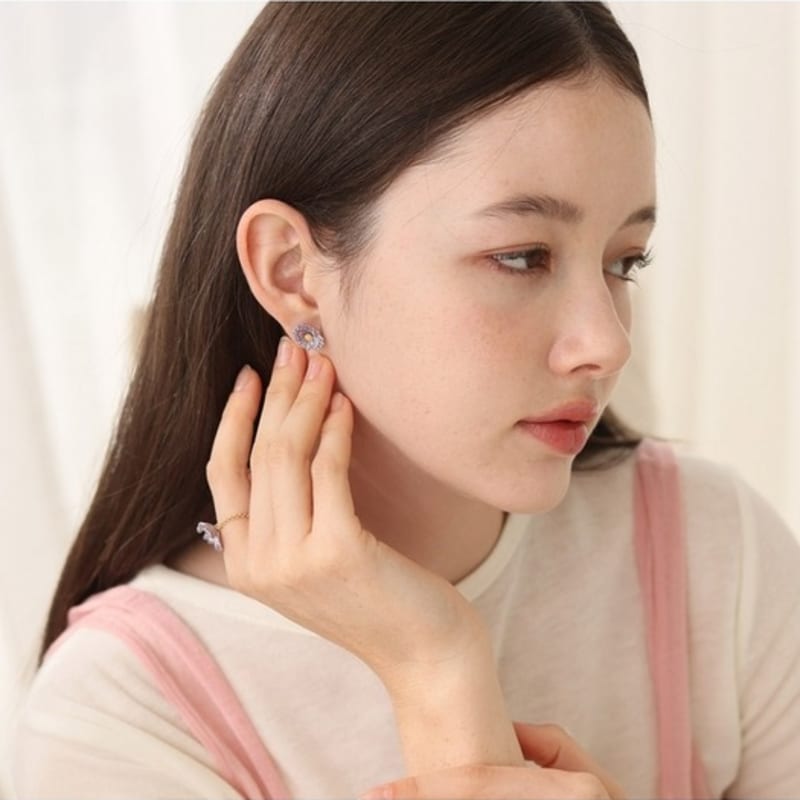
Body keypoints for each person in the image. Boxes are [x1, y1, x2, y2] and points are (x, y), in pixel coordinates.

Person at [11, 3, 800, 799]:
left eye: (623, 261)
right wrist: (435, 665)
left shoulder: (714, 550)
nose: (607, 342)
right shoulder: (124, 719)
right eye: (522, 256)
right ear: (292, 271)